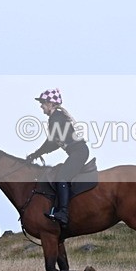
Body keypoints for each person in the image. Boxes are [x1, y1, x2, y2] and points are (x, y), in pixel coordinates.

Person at [26, 88, 89, 227]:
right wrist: (38, 153)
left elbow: (51, 142)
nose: (41, 106)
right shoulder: (56, 117)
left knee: (61, 178)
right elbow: (54, 144)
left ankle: (64, 213)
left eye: (43, 103)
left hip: (78, 152)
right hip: (77, 152)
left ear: (51, 104)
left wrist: (36, 154)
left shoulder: (56, 118)